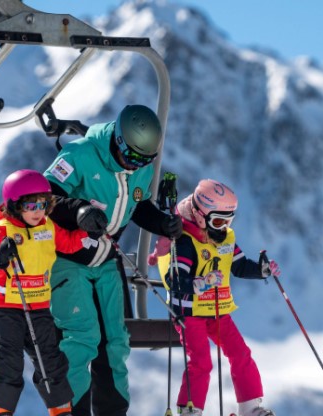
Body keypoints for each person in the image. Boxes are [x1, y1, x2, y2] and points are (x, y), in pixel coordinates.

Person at [43, 104, 183, 416]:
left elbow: (138, 204)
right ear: (118, 140)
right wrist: (78, 210)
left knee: (115, 343)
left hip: (107, 260)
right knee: (80, 339)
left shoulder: (141, 168)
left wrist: (162, 223)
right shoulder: (79, 155)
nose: (136, 166)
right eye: (132, 157)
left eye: (145, 160)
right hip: (69, 259)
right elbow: (44, 198)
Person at [149, 179, 279, 416]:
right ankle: (190, 410)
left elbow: (238, 266)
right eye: (218, 221)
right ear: (200, 215)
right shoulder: (186, 240)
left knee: (240, 353)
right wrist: (200, 284)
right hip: (190, 314)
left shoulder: (225, 237)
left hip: (217, 310)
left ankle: (251, 408)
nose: (223, 227)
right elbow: (175, 280)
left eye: (228, 221)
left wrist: (261, 270)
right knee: (201, 363)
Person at [0, 169, 90, 416]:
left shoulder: (47, 226)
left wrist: (87, 229)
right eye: (31, 205)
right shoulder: (3, 229)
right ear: (15, 205)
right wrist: (0, 259)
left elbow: (70, 244)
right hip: (6, 307)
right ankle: (1, 411)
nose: (38, 210)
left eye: (43, 204)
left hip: (39, 306)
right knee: (9, 360)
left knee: (50, 360)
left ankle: (61, 410)